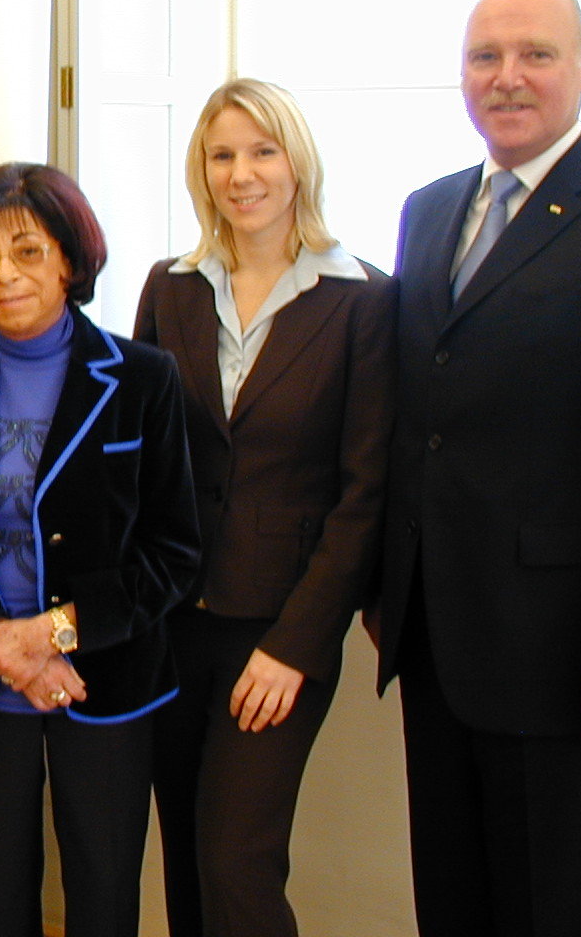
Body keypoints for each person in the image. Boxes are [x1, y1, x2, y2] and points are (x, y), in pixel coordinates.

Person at [377, 0, 581, 936]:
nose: (508, 78)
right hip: (440, 645)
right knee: (453, 908)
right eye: (485, 57)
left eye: (535, 54)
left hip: (571, 667)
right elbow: (423, 414)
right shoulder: (429, 210)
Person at [0, 161, 200, 937]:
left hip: (107, 681)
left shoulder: (141, 378)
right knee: (2, 898)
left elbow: (174, 551)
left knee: (102, 898)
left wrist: (52, 636)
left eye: (26, 250)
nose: (3, 275)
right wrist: (4, 648)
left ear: (69, 258)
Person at [133, 79, 393, 937]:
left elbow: (365, 497)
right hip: (172, 624)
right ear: (200, 172)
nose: (241, 174)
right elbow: (138, 460)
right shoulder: (168, 287)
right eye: (221, 155)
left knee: (236, 857)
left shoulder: (363, 299)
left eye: (261, 150)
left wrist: (294, 646)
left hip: (277, 630)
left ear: (297, 162)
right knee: (187, 862)